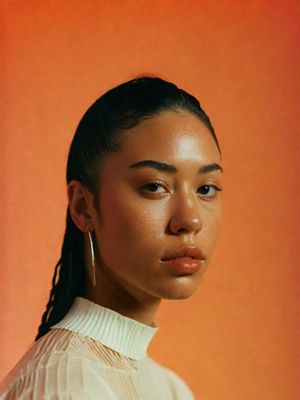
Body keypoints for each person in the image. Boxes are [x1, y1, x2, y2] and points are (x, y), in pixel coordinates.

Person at [0, 76, 223, 399]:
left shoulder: (172, 389)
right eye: (154, 186)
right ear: (84, 206)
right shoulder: (66, 385)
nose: (190, 219)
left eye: (205, 189)